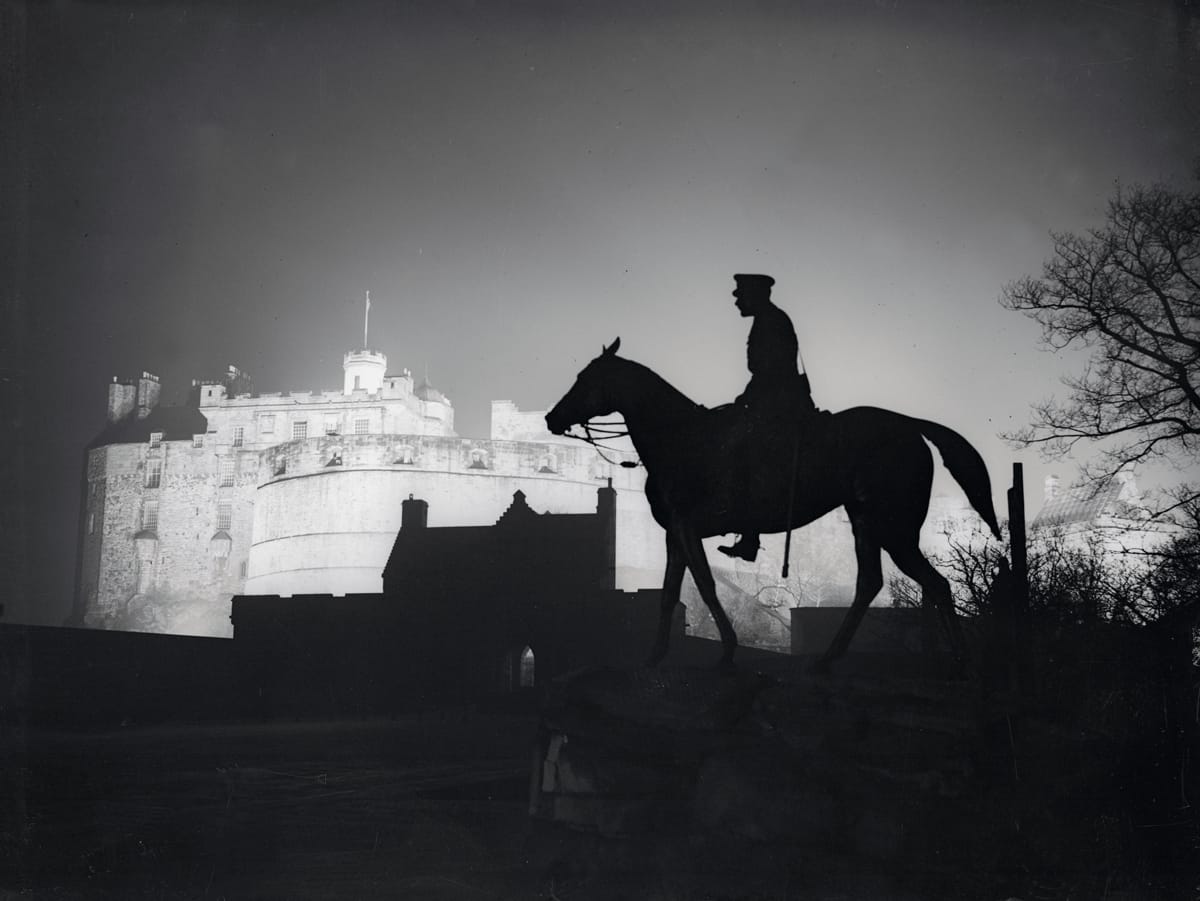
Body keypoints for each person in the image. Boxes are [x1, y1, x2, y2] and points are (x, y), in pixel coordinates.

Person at [718, 273, 815, 563]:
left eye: (740, 293)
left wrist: (746, 401)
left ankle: (749, 536)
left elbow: (772, 372)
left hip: (779, 407)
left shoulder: (771, 322)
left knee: (738, 452)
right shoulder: (768, 320)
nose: (736, 299)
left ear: (755, 294)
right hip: (771, 402)